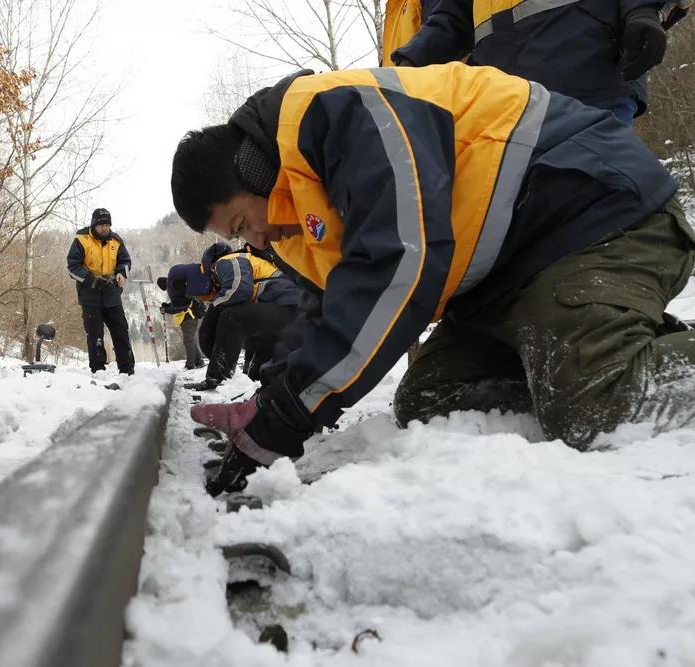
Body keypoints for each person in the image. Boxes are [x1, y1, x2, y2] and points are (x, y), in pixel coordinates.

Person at [170, 64, 695, 496]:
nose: (255, 240)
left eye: (241, 223)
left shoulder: (340, 113)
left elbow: (399, 264)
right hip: (503, 283)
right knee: (430, 399)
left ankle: (592, 362)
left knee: (593, 407)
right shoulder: (294, 218)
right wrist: (271, 399)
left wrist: (290, 412)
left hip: (593, 217)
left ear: (252, 169)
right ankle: (589, 348)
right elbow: (334, 311)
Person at [390, 0, 690, 126]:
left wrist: (643, 9)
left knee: (591, 218)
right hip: (502, 103)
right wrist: (408, 63)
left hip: (586, 77)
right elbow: (452, 17)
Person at [181, 242, 302, 392]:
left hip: (286, 305)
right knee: (257, 366)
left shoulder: (226, 261)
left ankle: (216, 377)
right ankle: (255, 384)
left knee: (231, 317)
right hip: (293, 311)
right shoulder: (249, 261)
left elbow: (239, 289)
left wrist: (215, 306)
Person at [66, 208, 135, 375]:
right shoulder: (81, 240)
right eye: (102, 225)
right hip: (90, 292)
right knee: (95, 334)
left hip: (112, 291)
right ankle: (98, 370)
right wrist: (92, 279)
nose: (105, 228)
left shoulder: (116, 240)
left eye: (107, 224)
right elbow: (72, 267)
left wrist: (121, 273)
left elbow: (125, 261)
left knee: (120, 331)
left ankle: (127, 369)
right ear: (94, 224)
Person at [157, 268, 206, 370]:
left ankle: (190, 365)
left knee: (188, 340)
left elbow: (179, 306)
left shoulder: (176, 289)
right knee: (190, 339)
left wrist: (167, 309)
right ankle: (198, 361)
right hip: (190, 316)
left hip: (189, 316)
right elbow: (178, 303)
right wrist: (167, 306)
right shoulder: (177, 287)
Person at [381, 0, 442, 66]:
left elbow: (441, 29)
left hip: (421, 73)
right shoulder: (393, 7)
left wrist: (408, 60)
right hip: (399, 73)